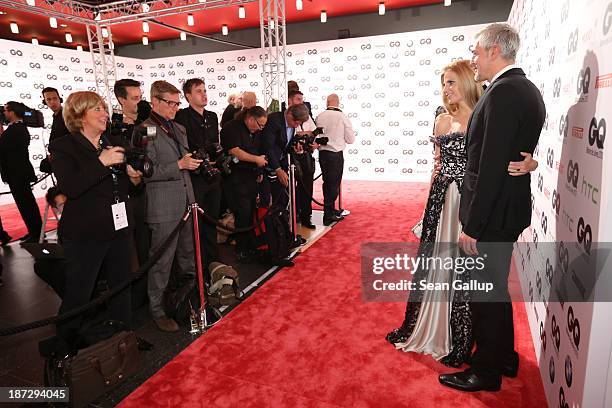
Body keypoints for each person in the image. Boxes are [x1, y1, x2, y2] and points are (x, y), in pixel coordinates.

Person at [386, 60, 539, 369]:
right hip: (442, 200)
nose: (446, 89)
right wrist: (429, 204)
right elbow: (438, 164)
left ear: (468, 82)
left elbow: (501, 159)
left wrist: (531, 164)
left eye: (452, 82)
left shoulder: (484, 116)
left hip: (469, 203)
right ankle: (430, 326)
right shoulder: (441, 121)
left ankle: (465, 339)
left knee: (468, 274)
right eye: (444, 83)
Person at [439, 23, 545, 392]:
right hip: (506, 210)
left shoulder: (503, 93)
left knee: (485, 292)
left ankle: (485, 371)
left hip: (493, 215)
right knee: (494, 289)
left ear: (494, 50)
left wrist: (473, 224)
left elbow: (489, 167)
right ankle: (503, 357)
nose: (474, 58)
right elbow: (513, 155)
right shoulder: (524, 89)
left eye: (477, 52)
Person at [49, 91, 143, 346]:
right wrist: (102, 162)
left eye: (104, 108)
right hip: (85, 233)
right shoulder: (63, 146)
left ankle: (125, 339)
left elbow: (125, 185)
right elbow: (71, 187)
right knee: (80, 292)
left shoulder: (113, 141)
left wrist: (134, 177)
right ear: (80, 117)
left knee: (121, 287)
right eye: (97, 110)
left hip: (119, 227)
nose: (105, 114)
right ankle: (65, 348)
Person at [142, 81, 201, 332]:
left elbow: (184, 162)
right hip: (163, 206)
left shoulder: (179, 128)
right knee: (162, 262)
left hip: (187, 202)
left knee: (188, 257)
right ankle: (157, 310)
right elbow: (146, 172)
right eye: (170, 103)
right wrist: (178, 165)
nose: (175, 108)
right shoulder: (145, 130)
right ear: (155, 101)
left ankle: (188, 301)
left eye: (178, 103)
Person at [174, 78, 222, 274]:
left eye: (205, 90)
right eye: (198, 91)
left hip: (213, 175)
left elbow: (215, 144)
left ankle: (214, 262)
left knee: (212, 219)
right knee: (196, 223)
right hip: (194, 176)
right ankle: (198, 264)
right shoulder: (182, 117)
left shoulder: (212, 116)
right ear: (188, 96)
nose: (204, 94)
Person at [220, 107, 268, 262]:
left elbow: (257, 151)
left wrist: (259, 171)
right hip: (235, 179)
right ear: (250, 119)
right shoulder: (231, 128)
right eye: (259, 124)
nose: (261, 128)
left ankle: (249, 246)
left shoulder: (256, 132)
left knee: (250, 214)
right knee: (243, 214)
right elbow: (235, 151)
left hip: (251, 177)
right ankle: (241, 249)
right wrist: (256, 160)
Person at [0, 102, 42, 243]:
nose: (4, 113)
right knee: (26, 203)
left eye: (5, 111)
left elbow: (5, 150)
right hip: (17, 173)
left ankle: (36, 232)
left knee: (26, 204)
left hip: (18, 174)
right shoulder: (16, 129)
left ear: (12, 112)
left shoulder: (17, 129)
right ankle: (34, 231)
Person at [315, 94, 355, 226]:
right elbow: (350, 139)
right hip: (335, 154)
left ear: (327, 102)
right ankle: (329, 214)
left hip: (323, 154)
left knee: (327, 183)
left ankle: (330, 210)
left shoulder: (319, 116)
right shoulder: (341, 117)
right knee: (333, 184)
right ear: (338, 103)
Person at [262, 104, 310, 210]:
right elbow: (268, 147)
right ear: (289, 114)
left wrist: (294, 148)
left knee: (282, 200)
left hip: (281, 164)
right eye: (296, 122)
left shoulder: (291, 125)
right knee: (266, 201)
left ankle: (281, 223)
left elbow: (284, 146)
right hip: (266, 166)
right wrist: (277, 169)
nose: (296, 125)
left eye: (299, 123)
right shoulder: (274, 120)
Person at [287, 90, 317, 229]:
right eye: (298, 99)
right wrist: (304, 134)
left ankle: (306, 216)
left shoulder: (306, 114)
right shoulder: (286, 116)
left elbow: (314, 131)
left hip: (305, 155)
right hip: (289, 157)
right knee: (290, 189)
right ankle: (291, 216)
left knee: (307, 188)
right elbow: (295, 133)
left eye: (302, 99)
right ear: (290, 100)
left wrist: (306, 136)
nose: (301, 102)